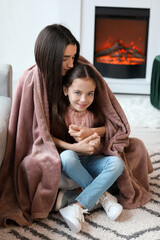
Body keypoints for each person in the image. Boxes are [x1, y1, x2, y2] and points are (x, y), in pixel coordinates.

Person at [0, 23, 153, 228]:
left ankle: (74, 199)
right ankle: (100, 195)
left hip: (92, 153)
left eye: (73, 56)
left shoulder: (82, 71)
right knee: (37, 167)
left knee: (134, 150)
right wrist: (74, 147)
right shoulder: (31, 82)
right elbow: (38, 137)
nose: (71, 64)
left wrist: (91, 132)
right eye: (64, 59)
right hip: (60, 155)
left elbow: (110, 120)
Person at [52, 62, 124, 233]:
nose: (84, 100)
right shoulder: (59, 114)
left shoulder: (94, 114)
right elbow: (47, 137)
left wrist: (93, 139)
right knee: (67, 156)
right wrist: (74, 147)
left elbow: (111, 130)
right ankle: (103, 197)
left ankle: (77, 204)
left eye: (89, 94)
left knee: (117, 163)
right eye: (77, 93)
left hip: (92, 161)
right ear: (65, 90)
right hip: (71, 166)